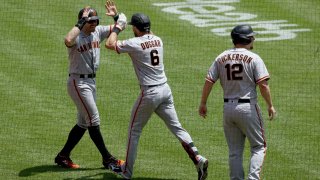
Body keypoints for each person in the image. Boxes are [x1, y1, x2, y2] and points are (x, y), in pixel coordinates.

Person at [104, 9, 209, 180]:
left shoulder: (134, 43)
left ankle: (126, 171)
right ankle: (198, 158)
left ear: (136, 28)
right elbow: (147, 35)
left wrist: (118, 26)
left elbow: (109, 44)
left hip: (150, 93)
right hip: (165, 91)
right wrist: (118, 18)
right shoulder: (158, 40)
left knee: (134, 130)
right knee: (177, 127)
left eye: (133, 27)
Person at [198, 24, 276, 180]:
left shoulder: (221, 57)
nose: (254, 38)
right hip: (248, 108)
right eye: (252, 36)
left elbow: (209, 81)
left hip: (228, 109)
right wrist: (270, 105)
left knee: (234, 151)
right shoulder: (254, 58)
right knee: (259, 147)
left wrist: (203, 103)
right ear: (247, 38)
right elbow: (263, 85)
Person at [54, 3, 124, 170]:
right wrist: (81, 22)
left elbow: (121, 24)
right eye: (91, 21)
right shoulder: (77, 37)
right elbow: (68, 40)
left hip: (91, 83)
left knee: (83, 123)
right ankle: (108, 159)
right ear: (82, 22)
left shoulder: (97, 32)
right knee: (93, 120)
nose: (94, 24)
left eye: (96, 21)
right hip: (78, 83)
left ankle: (62, 156)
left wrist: (115, 16)